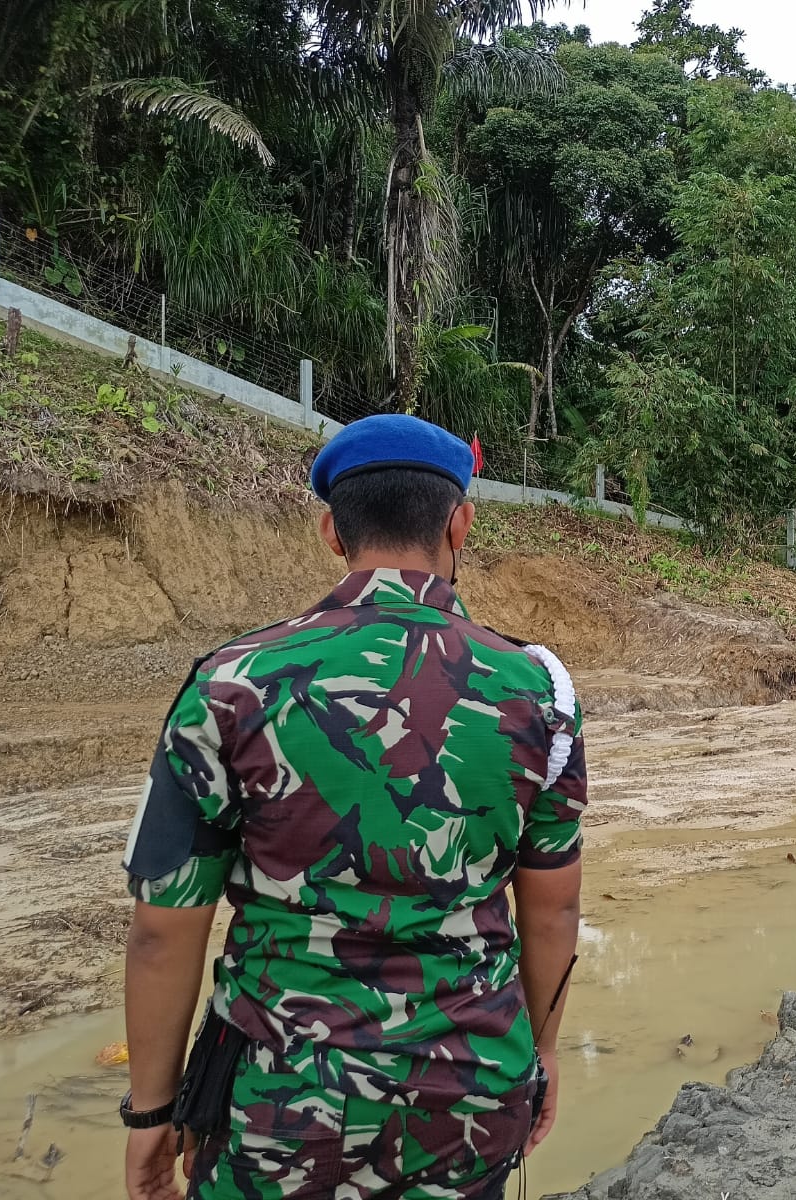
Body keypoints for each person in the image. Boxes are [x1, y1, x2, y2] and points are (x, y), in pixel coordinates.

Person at [118, 413, 586, 1200]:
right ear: (460, 524)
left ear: (332, 532)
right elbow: (553, 909)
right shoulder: (541, 693)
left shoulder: (231, 684)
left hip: (278, 1102)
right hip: (471, 1090)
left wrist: (151, 1112)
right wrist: (539, 1055)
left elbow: (163, 930)